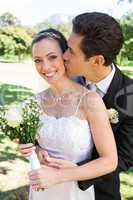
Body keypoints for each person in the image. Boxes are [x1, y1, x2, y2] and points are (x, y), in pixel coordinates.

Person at [18, 28, 118, 200]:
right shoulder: (33, 103)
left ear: (65, 56)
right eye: (38, 60)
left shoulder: (90, 101)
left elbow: (110, 161)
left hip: (75, 191)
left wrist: (58, 176)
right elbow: (26, 141)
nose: (45, 67)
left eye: (52, 57)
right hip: (42, 190)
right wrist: (34, 148)